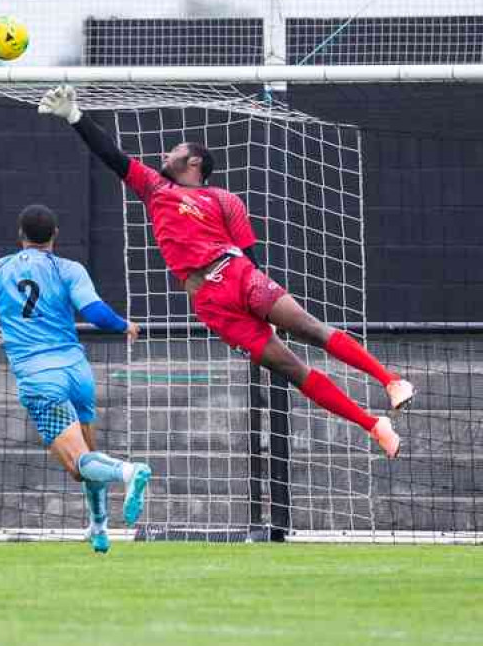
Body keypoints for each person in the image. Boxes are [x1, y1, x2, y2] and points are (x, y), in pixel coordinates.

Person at [38, 85, 415, 458]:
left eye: (176, 150)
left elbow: (250, 254)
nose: (166, 154)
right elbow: (112, 156)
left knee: (310, 328)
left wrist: (267, 306)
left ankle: (391, 380)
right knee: (293, 370)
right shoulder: (154, 188)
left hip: (238, 275)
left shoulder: (223, 199)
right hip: (210, 304)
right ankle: (374, 426)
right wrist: (76, 116)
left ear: (194, 161)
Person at [0, 204, 152, 554]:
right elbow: (95, 313)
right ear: (55, 236)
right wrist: (124, 325)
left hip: (39, 378)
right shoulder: (70, 268)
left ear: (20, 235)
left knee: (81, 466)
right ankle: (98, 528)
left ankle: (130, 472)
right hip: (77, 371)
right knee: (89, 458)